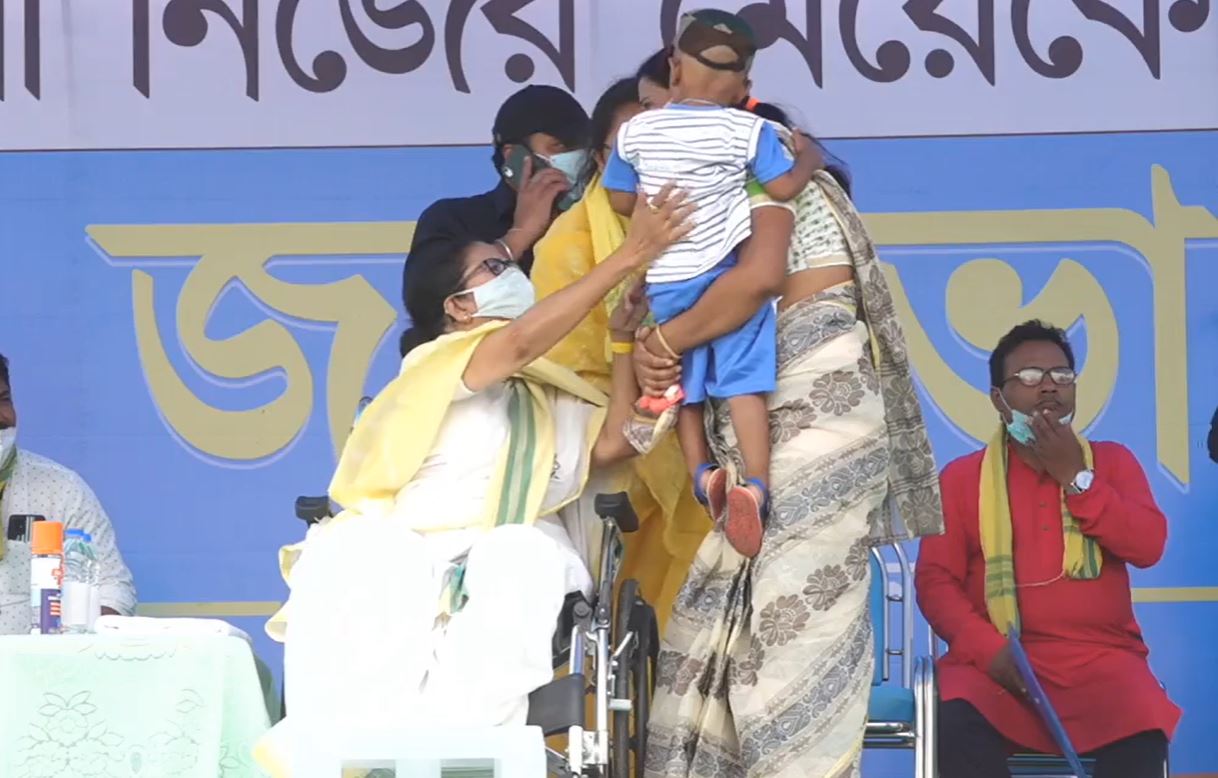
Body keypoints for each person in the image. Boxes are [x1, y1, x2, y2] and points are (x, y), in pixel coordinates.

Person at [255, 184, 692, 773]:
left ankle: (456, 752)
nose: (512, 273)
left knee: (517, 555)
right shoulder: (440, 363)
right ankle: (357, 755)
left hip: (516, 544)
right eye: (494, 267)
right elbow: (513, 342)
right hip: (414, 544)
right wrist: (627, 257)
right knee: (365, 552)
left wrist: (618, 340)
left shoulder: (546, 388)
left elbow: (614, 442)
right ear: (458, 306)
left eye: (511, 265)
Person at [634, 98, 944, 776]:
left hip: (816, 413)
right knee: (750, 632)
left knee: (785, 641)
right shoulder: (766, 186)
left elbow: (750, 286)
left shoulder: (758, 172)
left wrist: (654, 339)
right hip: (796, 424)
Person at [915, 320, 1180, 778]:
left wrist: (1077, 477)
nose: (1048, 389)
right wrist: (988, 650)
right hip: (997, 664)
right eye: (1030, 378)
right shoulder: (963, 479)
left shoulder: (1111, 463)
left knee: (1141, 719)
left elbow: (1147, 545)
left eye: (1061, 376)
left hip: (1103, 662)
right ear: (999, 399)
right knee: (954, 717)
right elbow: (936, 582)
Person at [604, 10, 820, 558]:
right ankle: (756, 483)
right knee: (742, 384)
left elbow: (621, 200)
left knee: (686, 390)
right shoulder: (747, 130)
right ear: (746, 87)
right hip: (725, 278)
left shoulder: (636, 130)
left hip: (666, 282)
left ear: (674, 69)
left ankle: (703, 475)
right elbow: (782, 187)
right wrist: (809, 158)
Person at [531, 77, 712, 635]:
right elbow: (566, 373)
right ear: (600, 157)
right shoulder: (568, 242)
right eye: (625, 151)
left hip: (703, 449)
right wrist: (642, 370)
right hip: (606, 463)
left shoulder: (704, 224)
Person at [402, 84, 590, 331]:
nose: (577, 156)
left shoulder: (595, 220)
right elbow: (431, 315)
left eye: (582, 146)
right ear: (514, 157)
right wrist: (519, 235)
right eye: (560, 147)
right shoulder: (453, 219)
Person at [0, 353, 137, 633]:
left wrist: (73, 650)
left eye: (3, 399)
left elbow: (113, 589)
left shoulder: (61, 487)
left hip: (40, 670)